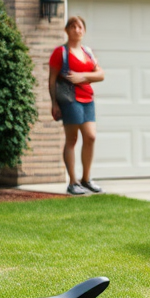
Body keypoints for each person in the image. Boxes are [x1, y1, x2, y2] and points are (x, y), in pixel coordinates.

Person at [49, 15, 105, 195]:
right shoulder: (61, 53)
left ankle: (86, 179)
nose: (77, 30)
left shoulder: (88, 51)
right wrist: (54, 103)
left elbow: (101, 74)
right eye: (73, 27)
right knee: (72, 140)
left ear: (84, 30)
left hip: (88, 99)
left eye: (80, 27)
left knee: (90, 137)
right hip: (69, 100)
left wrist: (83, 77)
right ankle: (72, 182)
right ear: (67, 30)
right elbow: (52, 80)